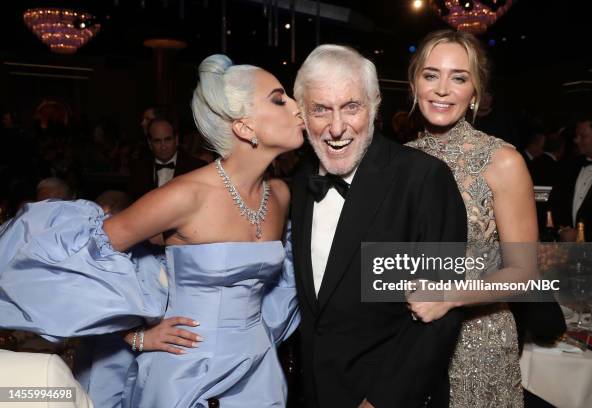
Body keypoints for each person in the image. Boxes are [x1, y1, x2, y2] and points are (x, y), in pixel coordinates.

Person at [0, 54, 304, 407]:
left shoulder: (280, 195)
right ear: (244, 127)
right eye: (280, 99)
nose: (298, 107)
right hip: (187, 372)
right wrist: (134, 335)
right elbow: (88, 254)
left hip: (259, 371)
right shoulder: (184, 196)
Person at [291, 44, 468, 408]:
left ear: (374, 105)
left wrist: (382, 401)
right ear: (302, 115)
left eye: (351, 107)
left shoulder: (423, 179)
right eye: (321, 109)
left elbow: (440, 313)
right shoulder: (301, 179)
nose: (336, 128)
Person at [405, 30, 538, 408]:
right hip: (408, 341)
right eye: (431, 75)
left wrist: (447, 296)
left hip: (477, 342)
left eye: (459, 77)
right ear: (414, 83)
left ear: (475, 92)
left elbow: (524, 272)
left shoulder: (503, 162)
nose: (443, 89)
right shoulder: (395, 161)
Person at [548, 115, 592, 242]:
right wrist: (561, 231)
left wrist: (583, 236)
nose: (576, 140)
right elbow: (554, 205)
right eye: (576, 136)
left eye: (583, 136)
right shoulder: (568, 167)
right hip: (567, 255)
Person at [127, 118, 207, 199]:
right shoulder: (138, 169)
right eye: (157, 141)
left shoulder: (197, 168)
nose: (163, 146)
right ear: (150, 144)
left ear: (176, 139)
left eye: (168, 139)